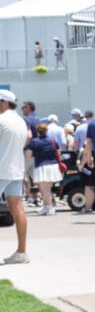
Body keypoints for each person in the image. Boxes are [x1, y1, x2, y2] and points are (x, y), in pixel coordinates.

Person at [1, 88, 31, 264]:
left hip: (1, 169)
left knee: (16, 209)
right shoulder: (21, 121)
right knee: (17, 209)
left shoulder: (1, 120)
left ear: (4, 102)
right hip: (16, 170)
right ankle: (21, 252)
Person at [26, 122, 60, 215]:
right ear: (46, 131)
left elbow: (28, 154)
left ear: (38, 131)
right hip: (53, 166)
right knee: (48, 188)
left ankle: (49, 208)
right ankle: (46, 206)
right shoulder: (52, 140)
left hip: (41, 166)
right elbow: (58, 153)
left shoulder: (35, 141)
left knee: (44, 189)